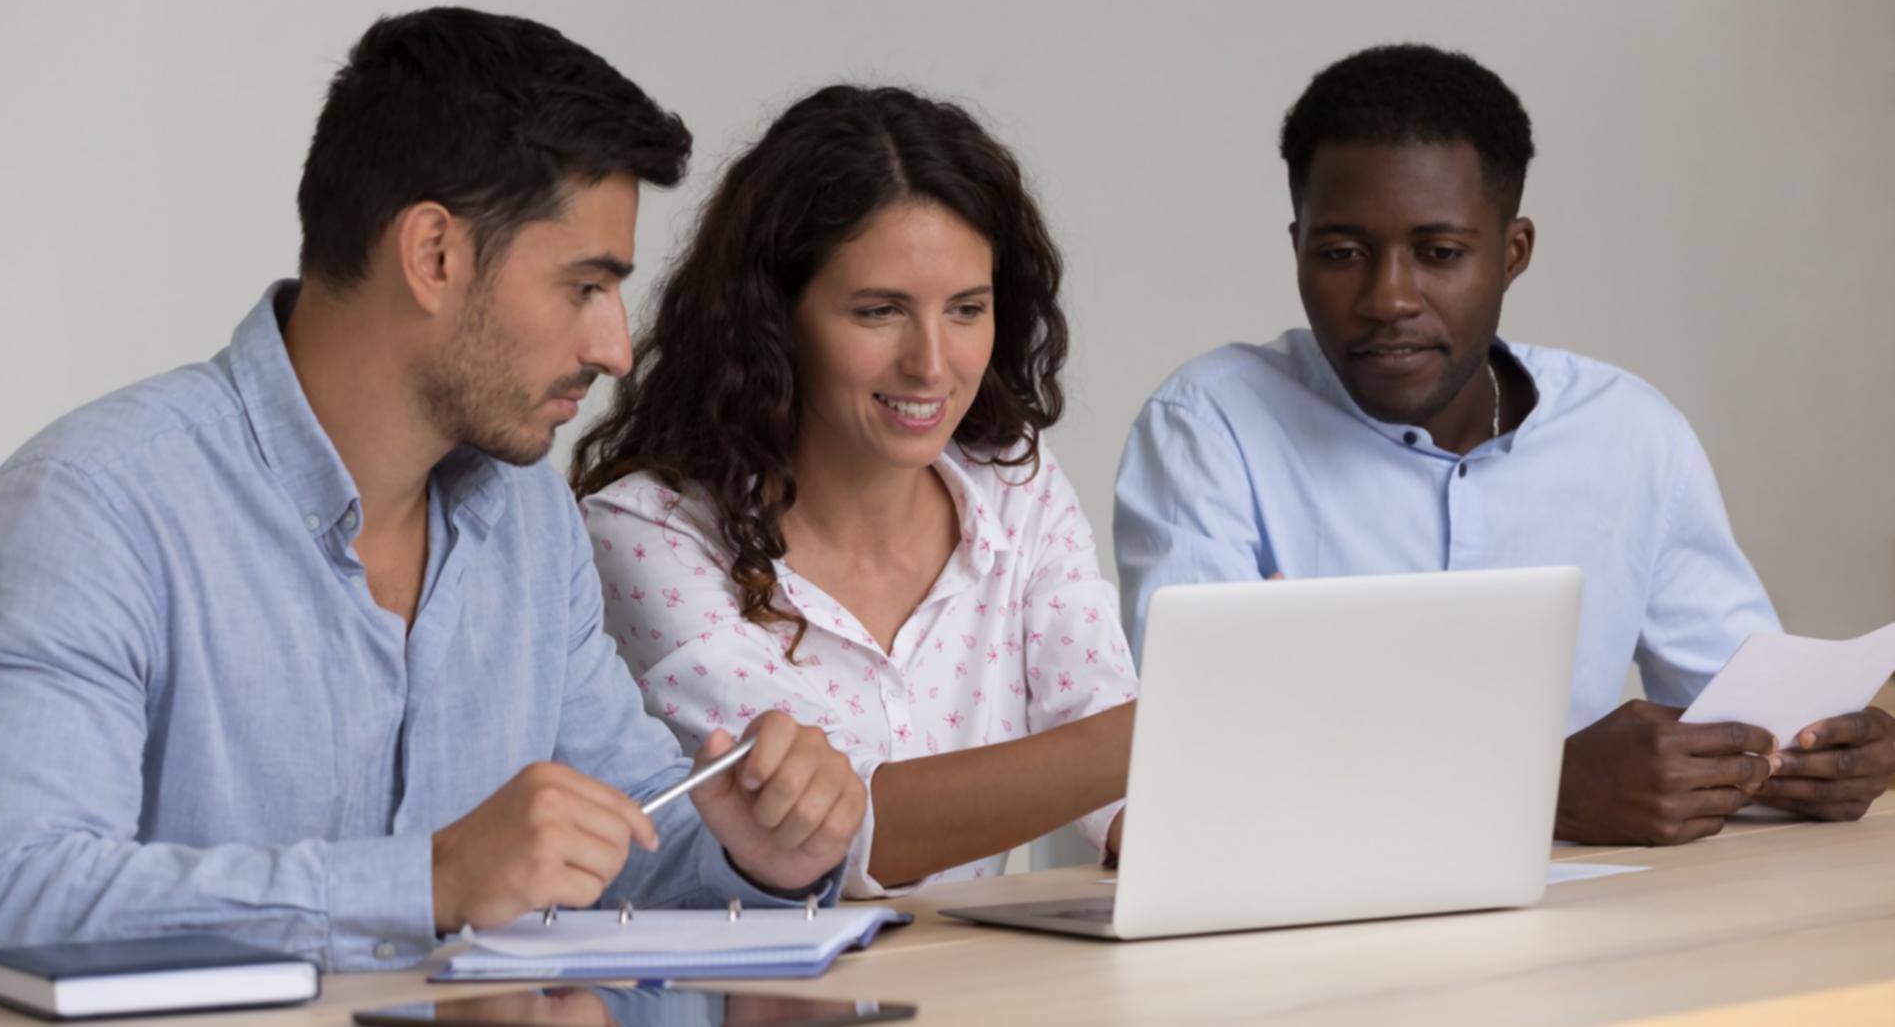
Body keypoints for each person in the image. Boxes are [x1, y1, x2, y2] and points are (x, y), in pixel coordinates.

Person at [0, 8, 865, 987]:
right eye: (584, 287)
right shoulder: (90, 509)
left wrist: (753, 854)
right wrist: (421, 883)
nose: (614, 349)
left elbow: (626, 827)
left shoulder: (530, 520)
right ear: (433, 254)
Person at [1114, 44, 1894, 846]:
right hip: (1300, 932)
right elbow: (1201, 758)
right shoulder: (1209, 426)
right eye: (1341, 253)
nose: (1388, 298)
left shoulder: (1628, 435)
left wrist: (1822, 755)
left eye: (1440, 253)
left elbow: (1743, 721)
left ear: (1511, 252)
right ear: (1297, 246)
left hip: (1586, 928)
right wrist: (1541, 790)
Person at [571, 85, 1137, 897]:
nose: (933, 365)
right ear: (771, 318)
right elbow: (834, 832)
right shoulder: (642, 534)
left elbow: (1099, 737)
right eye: (879, 311)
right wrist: (1177, 727)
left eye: (967, 309)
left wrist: (1163, 803)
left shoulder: (1018, 481)